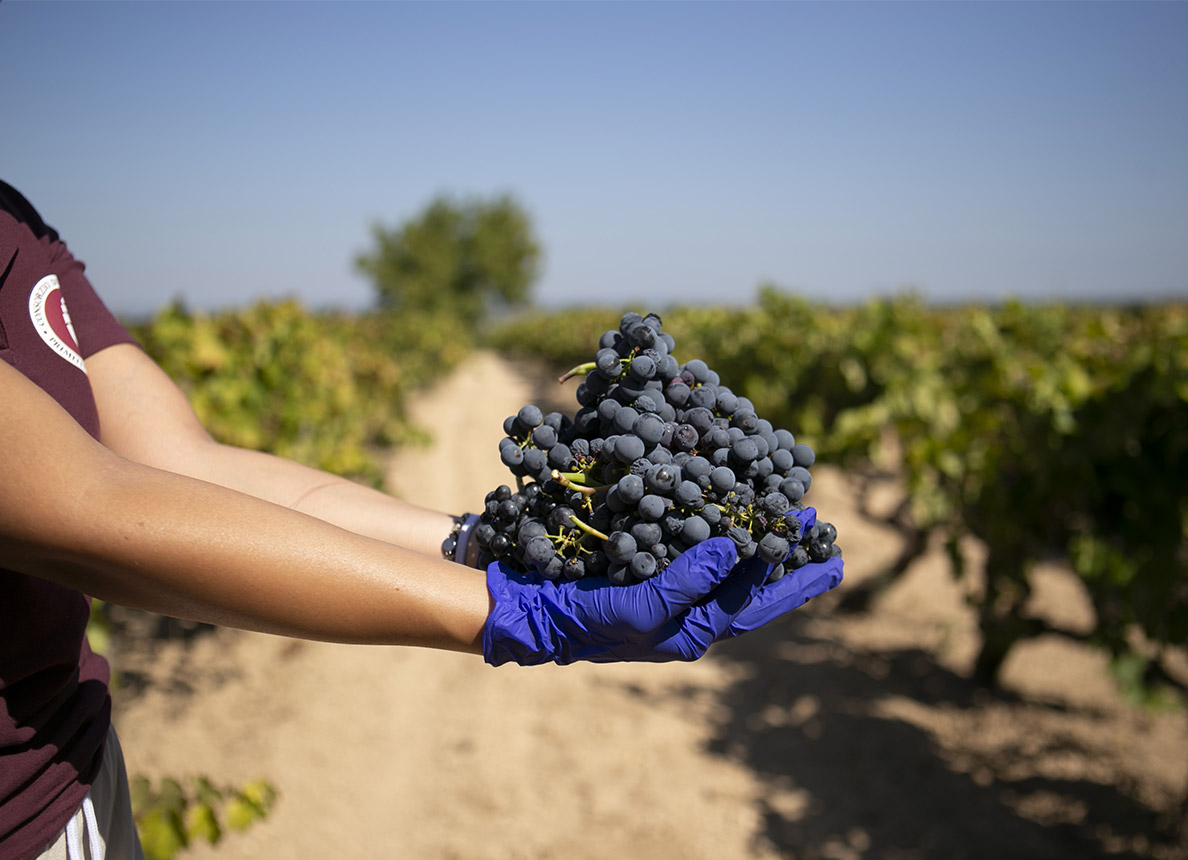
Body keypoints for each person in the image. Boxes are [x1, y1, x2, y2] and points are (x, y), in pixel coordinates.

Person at [0, 179, 844, 860]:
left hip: (77, 771)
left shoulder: (20, 226)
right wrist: (507, 610)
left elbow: (179, 468)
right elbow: (85, 511)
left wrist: (477, 546)